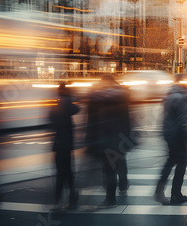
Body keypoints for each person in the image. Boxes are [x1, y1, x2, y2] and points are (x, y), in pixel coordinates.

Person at [86, 75, 133, 208]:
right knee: (120, 161)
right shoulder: (122, 96)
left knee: (108, 170)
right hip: (121, 137)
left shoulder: (102, 98)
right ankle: (123, 184)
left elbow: (97, 122)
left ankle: (110, 199)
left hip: (107, 139)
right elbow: (127, 118)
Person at [153, 74, 187, 205]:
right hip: (178, 135)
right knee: (181, 164)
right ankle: (176, 194)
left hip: (168, 133)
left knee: (170, 162)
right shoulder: (181, 97)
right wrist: (186, 139)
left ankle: (159, 190)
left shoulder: (168, 95)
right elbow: (182, 120)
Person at [48, 82, 80, 210]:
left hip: (59, 143)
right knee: (68, 172)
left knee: (60, 173)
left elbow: (51, 121)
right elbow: (76, 109)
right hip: (68, 144)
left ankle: (58, 200)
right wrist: (69, 98)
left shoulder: (56, 107)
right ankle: (72, 197)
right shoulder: (69, 106)